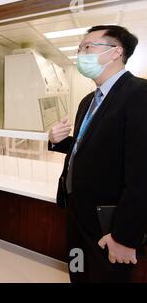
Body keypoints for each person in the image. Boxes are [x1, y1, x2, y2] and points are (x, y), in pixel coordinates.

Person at [49, 25, 147, 283]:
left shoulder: (139, 94)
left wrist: (125, 237)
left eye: (87, 47)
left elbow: (142, 175)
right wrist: (59, 142)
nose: (80, 53)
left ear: (116, 52)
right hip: (77, 213)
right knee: (78, 274)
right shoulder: (88, 101)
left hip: (109, 226)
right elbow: (90, 150)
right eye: (79, 48)